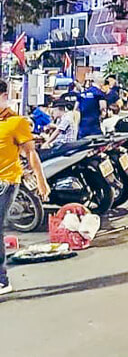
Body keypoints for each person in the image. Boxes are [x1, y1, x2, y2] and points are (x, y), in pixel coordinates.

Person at [1, 79, 51, 296]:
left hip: (6, 182)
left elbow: (30, 152)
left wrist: (41, 180)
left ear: (4, 96)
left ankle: (2, 281)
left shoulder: (16, 122)